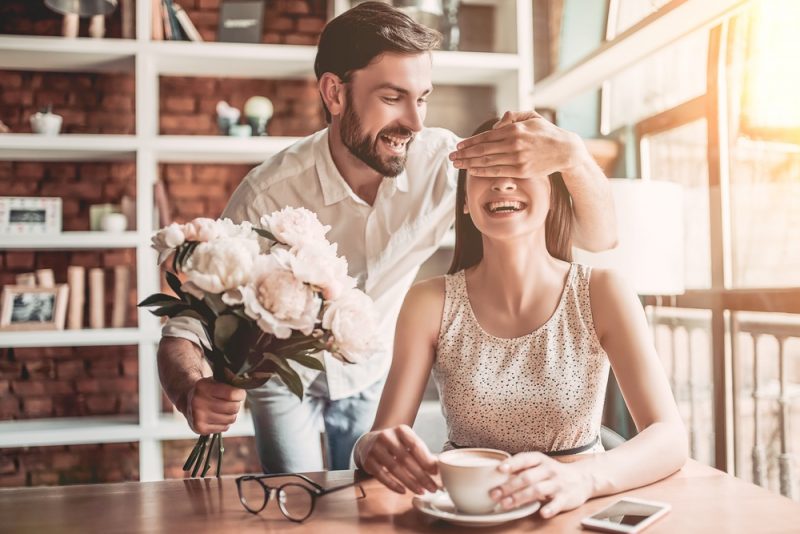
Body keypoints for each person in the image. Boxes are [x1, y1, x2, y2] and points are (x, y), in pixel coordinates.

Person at [157, 2, 617, 474]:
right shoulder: (267, 193)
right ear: (334, 93)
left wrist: (573, 158)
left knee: (365, 494)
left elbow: (600, 238)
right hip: (282, 376)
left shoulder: (444, 163)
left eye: (422, 99)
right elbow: (186, 328)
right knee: (292, 501)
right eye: (393, 97)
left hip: (373, 370)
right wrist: (190, 389)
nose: (415, 124)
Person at [353, 117, 687, 516]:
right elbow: (384, 438)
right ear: (464, 198)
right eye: (486, 171)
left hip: (574, 514)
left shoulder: (603, 292)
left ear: (553, 192)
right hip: (467, 516)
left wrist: (584, 478)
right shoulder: (428, 301)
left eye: (520, 169)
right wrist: (367, 447)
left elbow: (669, 437)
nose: (502, 183)